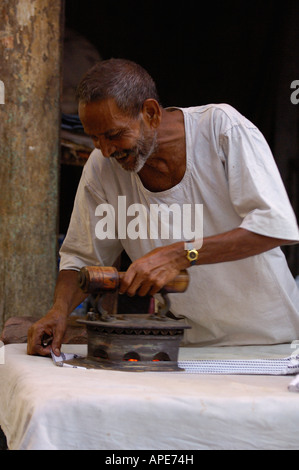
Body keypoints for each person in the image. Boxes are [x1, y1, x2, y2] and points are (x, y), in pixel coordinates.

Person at [27, 58, 299, 357]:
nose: (105, 150)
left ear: (151, 113)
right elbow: (81, 258)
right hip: (185, 348)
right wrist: (59, 311)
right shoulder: (102, 169)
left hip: (272, 342)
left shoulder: (221, 129)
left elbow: (275, 226)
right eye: (94, 138)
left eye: (114, 135)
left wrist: (181, 254)